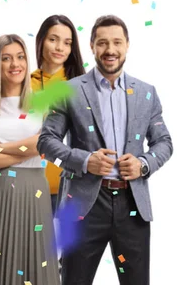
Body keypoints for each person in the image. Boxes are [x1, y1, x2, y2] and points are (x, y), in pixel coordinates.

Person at [38, 15, 173, 285]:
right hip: (84, 205)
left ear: (127, 45)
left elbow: (164, 142)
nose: (110, 50)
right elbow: (46, 142)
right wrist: (85, 160)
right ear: (92, 46)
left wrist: (143, 164)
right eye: (102, 43)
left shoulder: (147, 92)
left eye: (116, 42)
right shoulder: (69, 90)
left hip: (133, 206)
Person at [0, 34, 60, 285]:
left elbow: (42, 146)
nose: (14, 64)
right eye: (6, 58)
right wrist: (22, 149)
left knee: (34, 262)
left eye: (20, 57)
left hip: (34, 194)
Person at [31, 14, 85, 214]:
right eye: (53, 39)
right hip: (31, 185)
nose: (60, 47)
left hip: (74, 187)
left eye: (67, 42)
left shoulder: (82, 86)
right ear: (41, 40)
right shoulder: (25, 83)